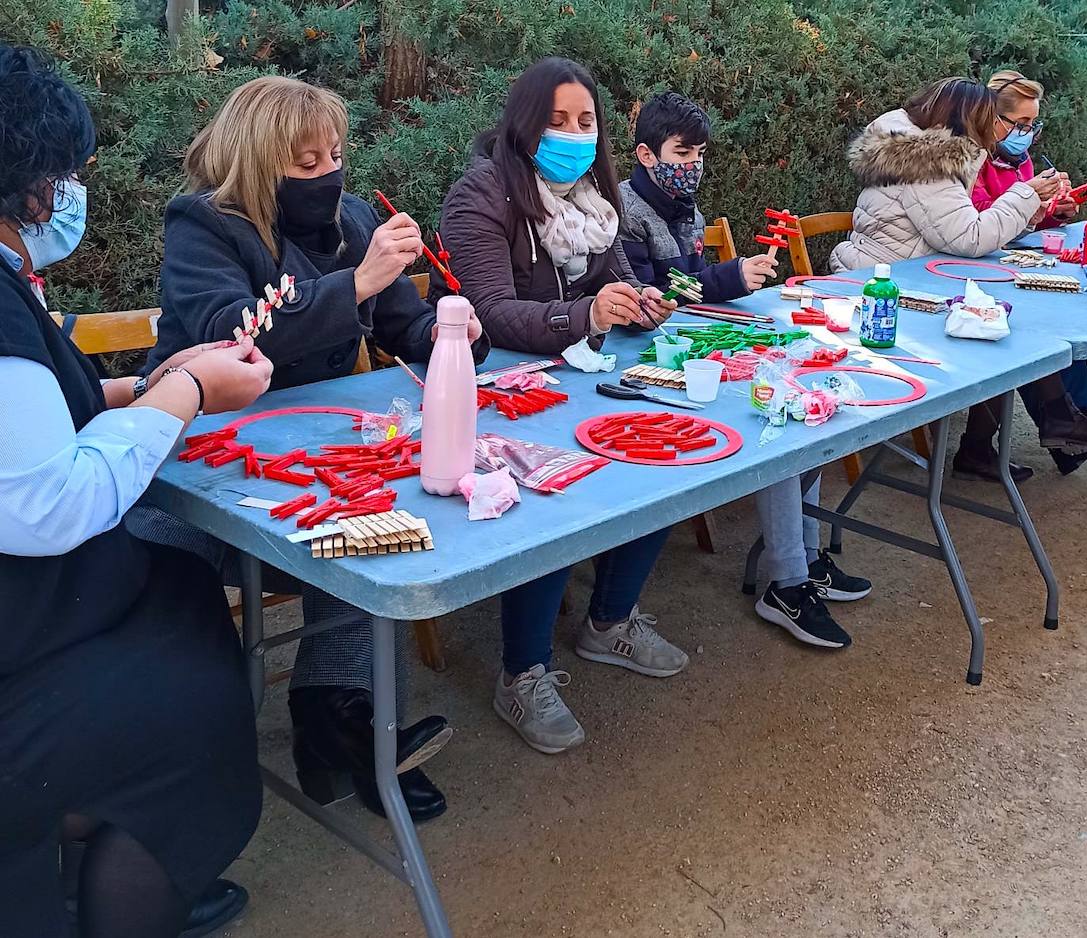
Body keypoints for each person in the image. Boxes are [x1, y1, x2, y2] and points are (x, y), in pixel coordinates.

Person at [141, 76, 481, 821]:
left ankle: (347, 723)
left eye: (334, 155)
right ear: (258, 162)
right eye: (306, 162)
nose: (328, 173)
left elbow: (404, 325)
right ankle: (202, 758)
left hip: (318, 459)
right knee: (172, 577)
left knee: (384, 527)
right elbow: (233, 335)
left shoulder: (353, 219)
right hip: (206, 469)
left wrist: (450, 330)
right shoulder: (204, 225)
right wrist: (355, 283)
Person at [0, 44, 273, 938]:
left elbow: (44, 412)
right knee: (191, 706)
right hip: (27, 634)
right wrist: (187, 387)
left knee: (183, 588)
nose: (70, 193)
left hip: (52, 604)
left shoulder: (11, 285)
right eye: (64, 175)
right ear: (28, 181)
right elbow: (47, 499)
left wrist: (148, 386)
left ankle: (127, 859)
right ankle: (125, 870)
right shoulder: (201, 226)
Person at [436, 57, 703, 753]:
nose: (574, 135)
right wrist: (585, 314)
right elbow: (491, 313)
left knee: (660, 457)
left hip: (578, 378)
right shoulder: (479, 195)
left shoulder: (594, 197)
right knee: (556, 495)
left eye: (586, 121)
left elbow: (617, 279)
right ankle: (523, 672)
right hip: (498, 390)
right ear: (523, 125)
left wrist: (641, 303)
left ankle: (610, 622)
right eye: (557, 120)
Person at [617, 90, 873, 647]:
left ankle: (807, 559)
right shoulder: (626, 212)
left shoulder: (686, 209)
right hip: (645, 361)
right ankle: (788, 581)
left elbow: (688, 290)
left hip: (696, 349)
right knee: (772, 426)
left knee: (797, 409)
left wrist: (731, 278)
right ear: (646, 155)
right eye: (682, 153)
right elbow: (653, 295)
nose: (693, 165)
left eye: (700, 155)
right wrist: (729, 277)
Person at [830, 77, 1087, 472]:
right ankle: (1052, 424)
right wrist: (1026, 195)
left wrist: (1031, 209)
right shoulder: (928, 164)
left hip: (906, 276)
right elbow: (969, 236)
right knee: (1003, 323)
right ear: (967, 119)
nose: (1000, 133)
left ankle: (1026, 433)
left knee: (1003, 315)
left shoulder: (920, 152)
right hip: (884, 292)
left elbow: (961, 229)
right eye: (999, 122)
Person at [971, 70, 1087, 476]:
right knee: (1028, 325)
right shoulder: (970, 159)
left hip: (1000, 264)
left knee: (1047, 317)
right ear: (992, 117)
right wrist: (1030, 200)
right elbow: (977, 221)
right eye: (1020, 124)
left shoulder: (1018, 159)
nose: (1027, 134)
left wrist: (1052, 213)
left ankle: (1071, 423)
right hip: (970, 267)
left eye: (1033, 124)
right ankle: (1066, 427)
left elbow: (1020, 222)